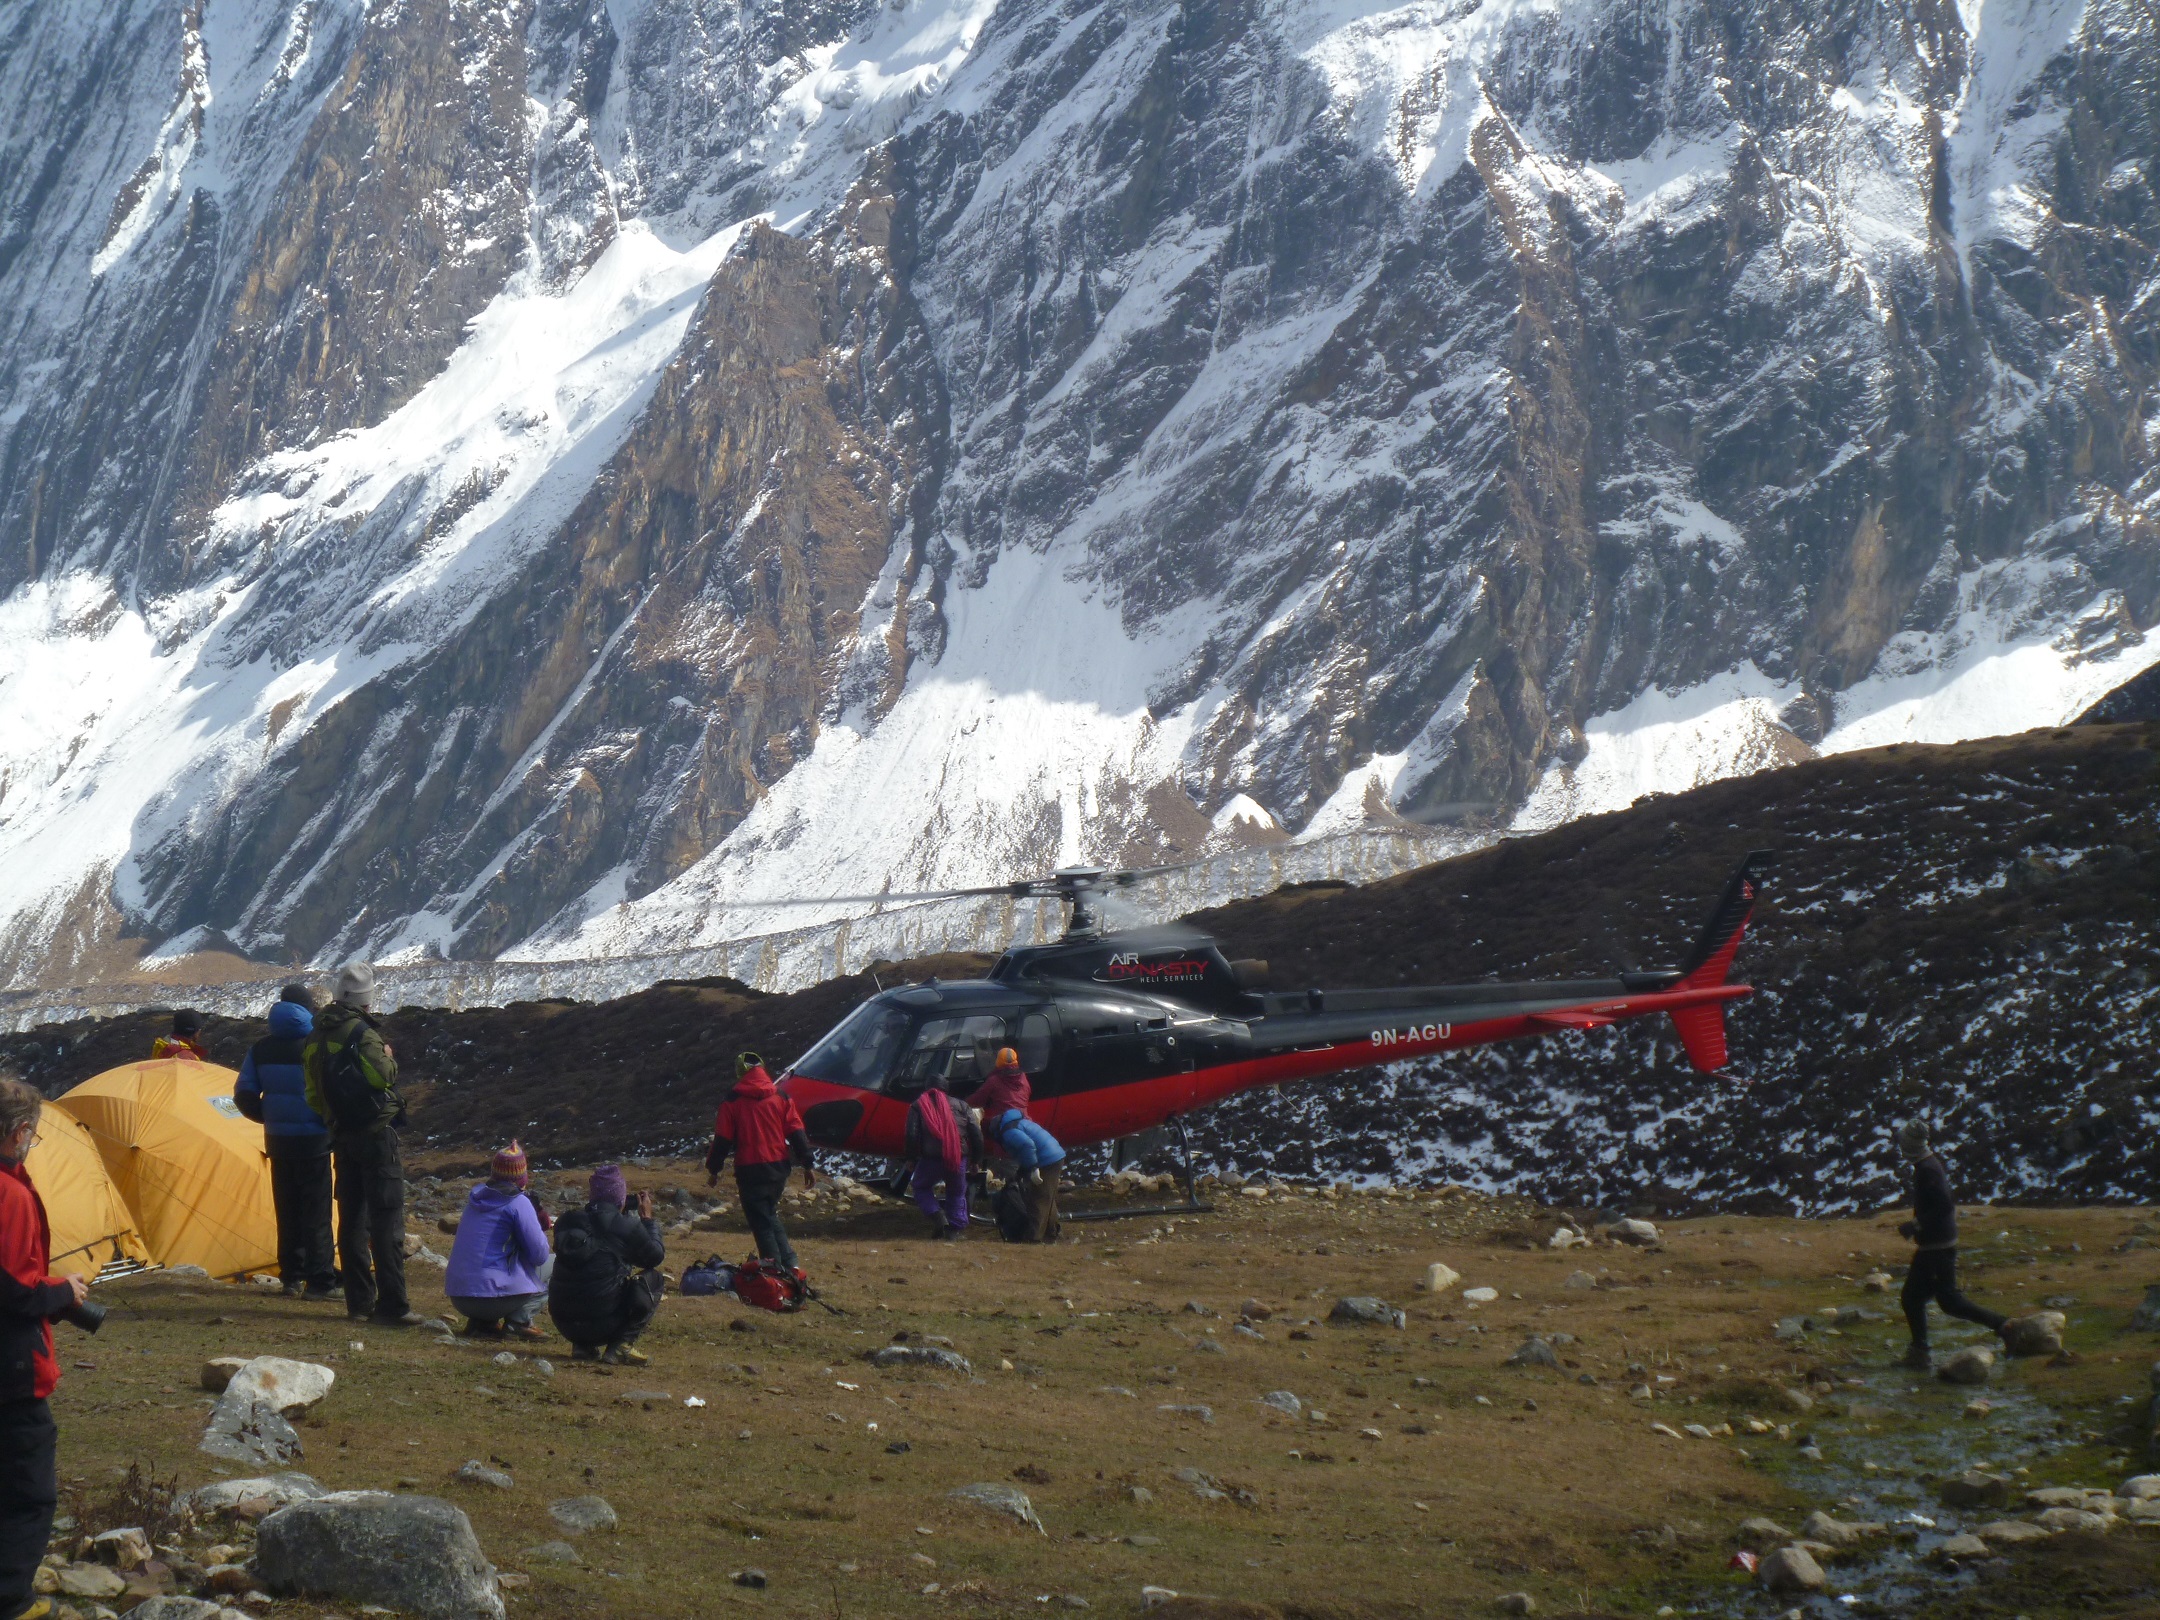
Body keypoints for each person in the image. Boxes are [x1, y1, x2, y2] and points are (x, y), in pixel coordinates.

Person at [0, 1077, 90, 1620]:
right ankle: (11, 1600)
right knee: (27, 1489)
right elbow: (13, 1289)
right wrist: (62, 1292)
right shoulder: (10, 1193)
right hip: (11, 1365)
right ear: (19, 1132)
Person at [303, 964, 418, 1328]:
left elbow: (312, 1095)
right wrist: (388, 1055)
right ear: (366, 1001)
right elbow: (382, 1076)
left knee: (351, 1219)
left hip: (341, 1135)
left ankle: (358, 1303)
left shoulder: (315, 1036)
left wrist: (334, 1118)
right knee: (385, 1219)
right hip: (376, 1133)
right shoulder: (362, 1033)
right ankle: (393, 1306)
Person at [234, 987, 339, 1301]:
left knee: (287, 1210)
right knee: (317, 1214)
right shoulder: (317, 1046)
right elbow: (334, 1091)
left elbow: (243, 1093)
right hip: (315, 1142)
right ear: (308, 1010)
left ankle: (291, 1278)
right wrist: (328, 1122)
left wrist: (268, 1117)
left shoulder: (261, 1048)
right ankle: (320, 1282)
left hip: (278, 1143)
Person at [1896, 1119, 2006, 1370]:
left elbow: (1944, 1205)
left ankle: (2004, 1325)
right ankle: (1920, 1352)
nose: (1900, 1148)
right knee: (1918, 1298)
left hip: (1936, 1247)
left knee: (1943, 1301)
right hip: (1937, 1245)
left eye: (1903, 1143)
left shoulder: (1927, 1169)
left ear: (1910, 1145)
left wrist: (1915, 1225)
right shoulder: (1927, 1164)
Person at [703, 1052, 815, 1272]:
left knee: (761, 1221)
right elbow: (796, 1131)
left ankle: (774, 1271)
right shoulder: (780, 1096)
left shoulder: (732, 1101)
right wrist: (807, 1164)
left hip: (750, 1169)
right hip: (778, 1167)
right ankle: (790, 1264)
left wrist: (714, 1170)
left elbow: (723, 1139)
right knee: (768, 1213)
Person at [548, 1166, 665, 1364]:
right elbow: (654, 1257)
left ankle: (582, 1347)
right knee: (654, 1279)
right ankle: (621, 1346)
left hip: (564, 1323)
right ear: (620, 1198)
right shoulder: (624, 1226)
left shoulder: (567, 1222)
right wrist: (647, 1220)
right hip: (605, 1323)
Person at [444, 1142, 553, 1340]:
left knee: (495, 1257)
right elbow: (540, 1255)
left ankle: (482, 1324)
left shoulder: (475, 1199)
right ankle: (518, 1322)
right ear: (522, 1176)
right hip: (490, 1300)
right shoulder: (518, 1202)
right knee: (554, 1264)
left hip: (459, 1296)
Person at [968, 1047, 1066, 1242]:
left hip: (1014, 1143)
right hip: (1028, 1128)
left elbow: (977, 1099)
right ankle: (1052, 1231)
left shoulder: (994, 1082)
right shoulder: (1023, 1079)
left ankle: (1030, 1233)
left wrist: (960, 1105)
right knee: (1044, 1194)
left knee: (1027, 1192)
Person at [905, 1082, 981, 1239]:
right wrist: (976, 1160)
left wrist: (911, 1158)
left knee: (920, 1186)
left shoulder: (918, 1105)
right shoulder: (962, 1105)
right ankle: (954, 1231)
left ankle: (938, 1216)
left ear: (927, 1088)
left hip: (931, 1159)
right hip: (958, 1157)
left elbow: (911, 1134)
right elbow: (976, 1134)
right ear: (946, 1089)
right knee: (957, 1192)